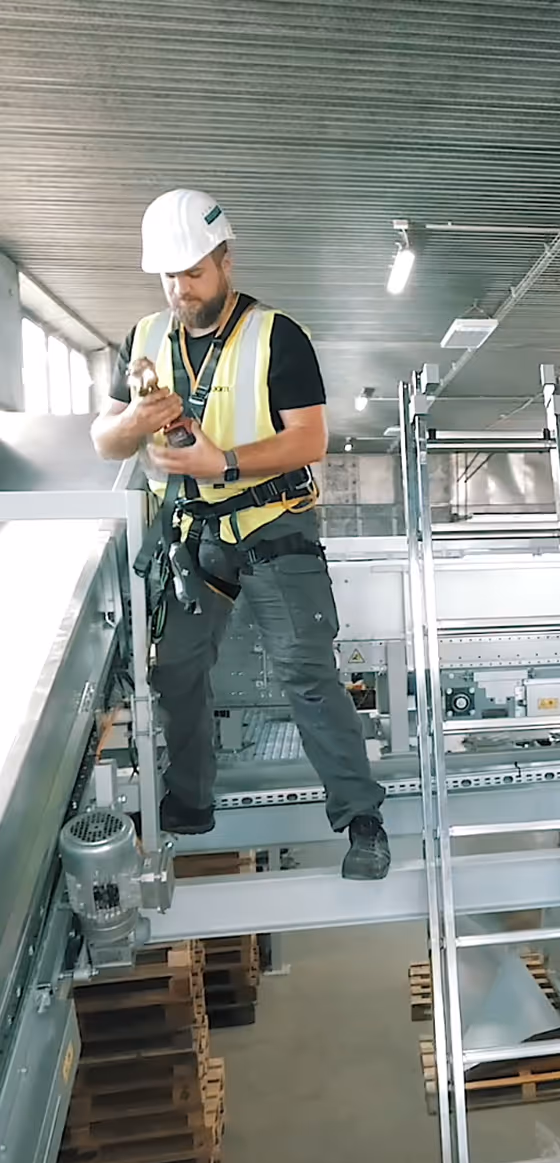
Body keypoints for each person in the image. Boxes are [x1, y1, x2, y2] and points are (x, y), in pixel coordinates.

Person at [91, 188, 389, 881]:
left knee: (306, 672)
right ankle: (191, 800)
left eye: (193, 272)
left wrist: (218, 459)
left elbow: (310, 439)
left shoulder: (277, 335)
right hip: (191, 538)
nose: (179, 289)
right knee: (175, 670)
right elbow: (104, 441)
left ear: (225, 260)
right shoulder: (142, 341)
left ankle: (361, 818)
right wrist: (138, 421)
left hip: (270, 525)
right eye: (168, 276)